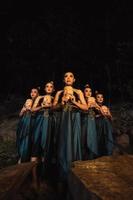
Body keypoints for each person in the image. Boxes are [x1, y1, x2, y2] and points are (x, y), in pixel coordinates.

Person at [53, 72, 88, 182]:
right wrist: (61, 103)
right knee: (63, 142)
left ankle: (75, 174)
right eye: (66, 76)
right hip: (63, 119)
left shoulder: (78, 92)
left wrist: (74, 102)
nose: (68, 78)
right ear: (63, 80)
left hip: (75, 118)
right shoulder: (59, 92)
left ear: (74, 80)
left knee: (74, 141)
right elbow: (52, 108)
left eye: (71, 76)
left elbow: (86, 107)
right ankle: (63, 174)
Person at [30, 81, 55, 188]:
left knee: (47, 151)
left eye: (51, 87)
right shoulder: (40, 98)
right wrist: (42, 106)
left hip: (49, 124)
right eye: (47, 86)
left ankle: (44, 178)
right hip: (39, 124)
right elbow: (32, 110)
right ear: (45, 88)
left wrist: (51, 106)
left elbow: (57, 108)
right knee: (35, 151)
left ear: (53, 89)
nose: (49, 88)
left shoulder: (55, 98)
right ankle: (34, 180)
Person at [16, 87, 40, 163]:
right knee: (23, 139)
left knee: (29, 140)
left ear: (38, 94)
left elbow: (36, 114)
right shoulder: (28, 100)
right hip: (24, 121)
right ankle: (21, 159)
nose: (32, 93)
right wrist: (23, 110)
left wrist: (32, 109)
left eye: (35, 92)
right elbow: (20, 115)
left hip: (32, 123)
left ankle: (27, 160)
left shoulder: (38, 102)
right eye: (31, 92)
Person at [81, 84, 99, 160]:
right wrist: (88, 105)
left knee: (92, 139)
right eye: (86, 91)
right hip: (84, 123)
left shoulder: (93, 101)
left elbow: (100, 112)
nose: (88, 93)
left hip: (92, 123)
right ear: (83, 93)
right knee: (83, 140)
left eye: (90, 91)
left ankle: (92, 157)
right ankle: (83, 158)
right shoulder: (81, 101)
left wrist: (96, 106)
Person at [95, 91, 113, 157]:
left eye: (102, 97)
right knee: (99, 138)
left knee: (106, 136)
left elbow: (111, 117)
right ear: (96, 99)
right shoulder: (95, 106)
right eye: (98, 97)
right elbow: (95, 116)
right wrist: (102, 114)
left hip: (105, 124)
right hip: (98, 125)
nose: (100, 98)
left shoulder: (105, 106)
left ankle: (108, 152)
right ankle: (99, 153)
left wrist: (107, 114)